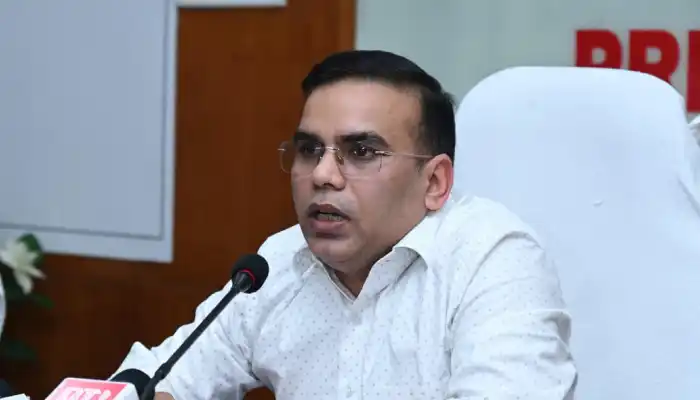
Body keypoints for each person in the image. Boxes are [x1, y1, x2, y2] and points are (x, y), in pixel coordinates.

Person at [113, 50, 577, 399]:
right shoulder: (277, 265)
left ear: (434, 181)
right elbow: (160, 377)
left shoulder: (492, 261)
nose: (322, 174)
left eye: (362, 152)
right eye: (309, 150)